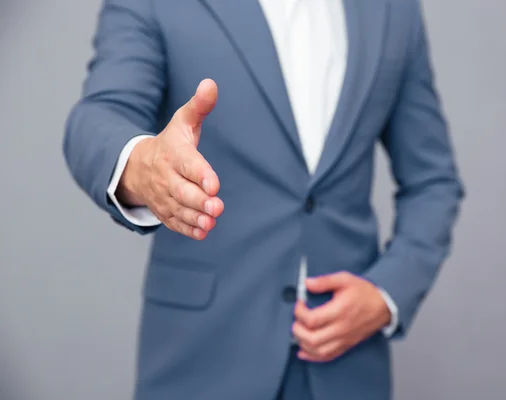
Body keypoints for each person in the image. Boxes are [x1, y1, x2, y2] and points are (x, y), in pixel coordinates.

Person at [63, 0, 464, 399]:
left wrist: (387, 293)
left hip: (348, 367)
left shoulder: (394, 10)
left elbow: (433, 180)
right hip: (202, 357)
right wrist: (141, 165)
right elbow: (98, 117)